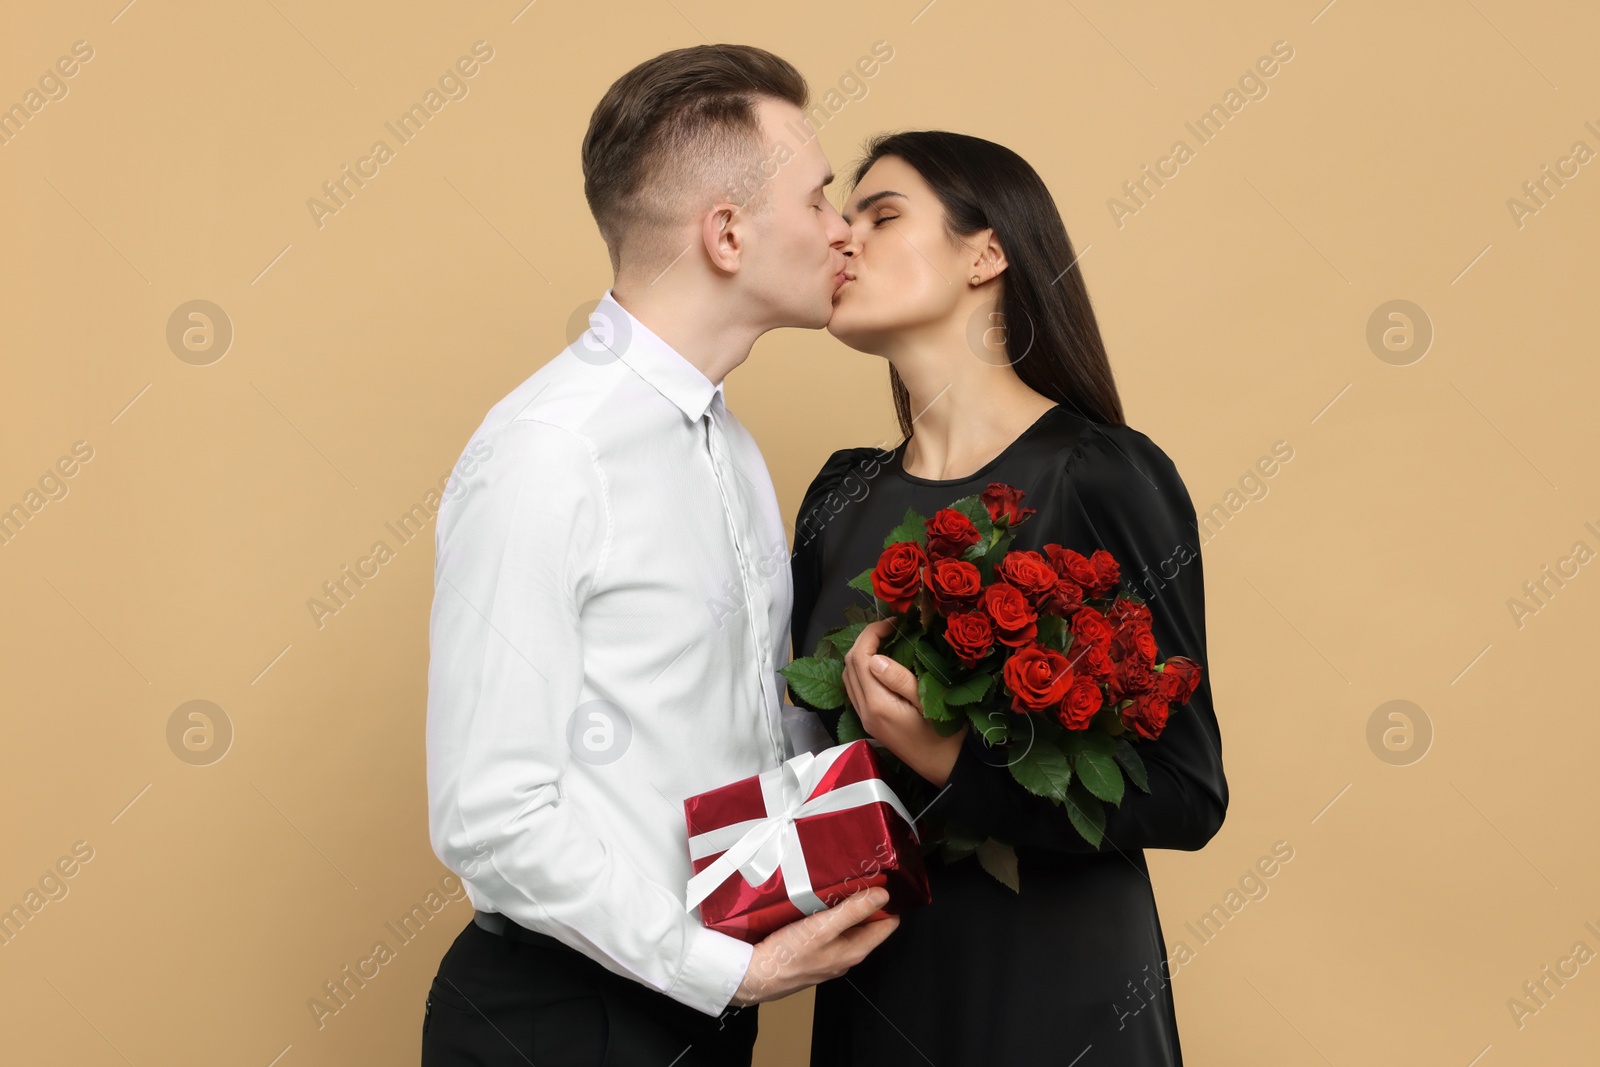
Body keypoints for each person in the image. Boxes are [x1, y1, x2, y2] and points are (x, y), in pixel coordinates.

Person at [421, 45, 898, 1067]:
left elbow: (738, 725)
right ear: (725, 233)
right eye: (817, 198)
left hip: (696, 1009)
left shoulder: (725, 438)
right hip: (563, 1022)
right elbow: (488, 817)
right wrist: (724, 969)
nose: (841, 228)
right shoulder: (550, 452)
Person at [788, 130, 1230, 1066]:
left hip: (1059, 990)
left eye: (883, 214)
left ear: (986, 253)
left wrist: (953, 758)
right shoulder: (838, 497)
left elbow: (1190, 791)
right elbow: (792, 758)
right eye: (842, 215)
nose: (845, 238)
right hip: (880, 983)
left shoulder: (1104, 473)